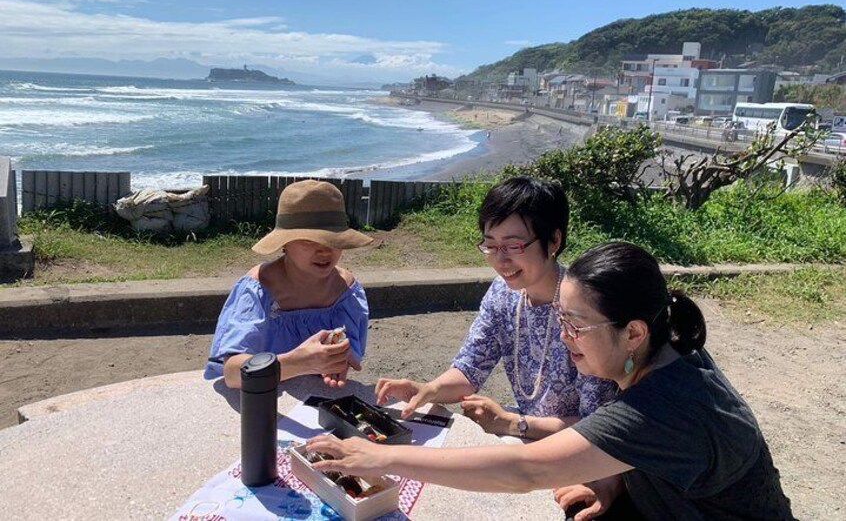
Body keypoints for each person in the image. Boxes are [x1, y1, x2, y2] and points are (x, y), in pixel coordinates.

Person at [307, 242, 794, 520]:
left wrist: (378, 456)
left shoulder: (661, 404)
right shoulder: (670, 347)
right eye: (561, 319)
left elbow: (525, 471)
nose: (564, 338)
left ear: (634, 332)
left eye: (577, 326)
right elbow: (658, 457)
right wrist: (615, 482)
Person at [375, 176, 615, 440]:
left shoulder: (585, 309)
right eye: (490, 245)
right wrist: (428, 389)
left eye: (514, 245)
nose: (501, 260)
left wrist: (512, 423)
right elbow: (470, 368)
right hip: (528, 438)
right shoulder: (503, 293)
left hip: (582, 453)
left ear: (554, 241)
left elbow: (598, 426)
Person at [204, 179, 373, 390]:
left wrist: (338, 358)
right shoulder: (258, 290)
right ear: (285, 243)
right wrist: (296, 363)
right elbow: (232, 374)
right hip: (262, 400)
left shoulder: (346, 292)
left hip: (318, 399)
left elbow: (351, 356)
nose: (324, 251)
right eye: (309, 241)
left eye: (333, 240)